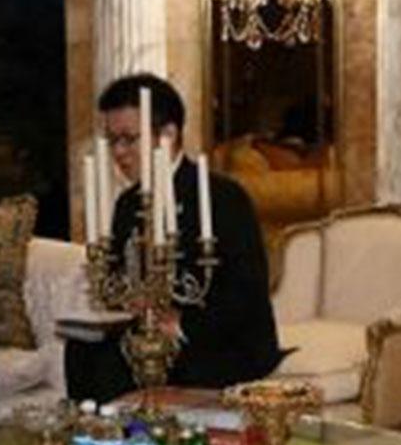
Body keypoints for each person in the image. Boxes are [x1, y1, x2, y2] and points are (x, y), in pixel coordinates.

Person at [66, 73, 281, 403]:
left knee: (126, 365)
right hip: (148, 334)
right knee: (81, 351)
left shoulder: (222, 197)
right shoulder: (127, 204)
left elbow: (246, 295)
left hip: (218, 342)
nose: (119, 153)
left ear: (168, 133)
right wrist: (124, 301)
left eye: (129, 139)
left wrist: (180, 324)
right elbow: (116, 280)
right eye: (112, 141)